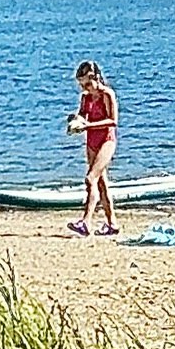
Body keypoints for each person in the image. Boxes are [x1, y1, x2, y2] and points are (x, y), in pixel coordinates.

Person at [66, 60, 120, 234]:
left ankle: (86, 221)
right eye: (82, 85)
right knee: (101, 183)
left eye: (88, 84)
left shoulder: (107, 94)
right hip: (91, 141)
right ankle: (112, 223)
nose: (85, 88)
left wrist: (88, 125)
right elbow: (82, 114)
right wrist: (76, 121)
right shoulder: (86, 97)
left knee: (90, 179)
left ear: (96, 78)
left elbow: (112, 120)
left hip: (106, 140)